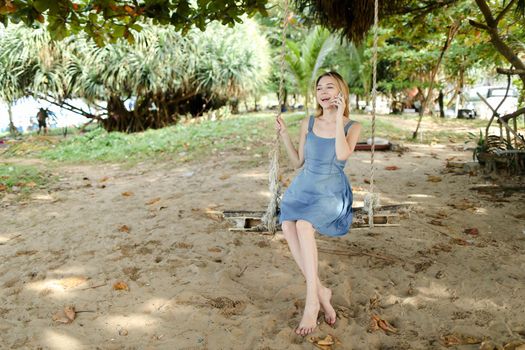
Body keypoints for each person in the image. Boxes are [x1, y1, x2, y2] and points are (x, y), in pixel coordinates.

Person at [275, 71, 362, 336]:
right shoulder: (308, 122)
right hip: (304, 187)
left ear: (341, 92)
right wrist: (284, 135)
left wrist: (338, 119)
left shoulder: (352, 126)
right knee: (288, 226)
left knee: (303, 225)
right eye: (319, 88)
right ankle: (322, 292)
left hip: (330, 191)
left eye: (329, 87)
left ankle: (313, 302)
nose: (323, 92)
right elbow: (297, 162)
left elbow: (341, 153)